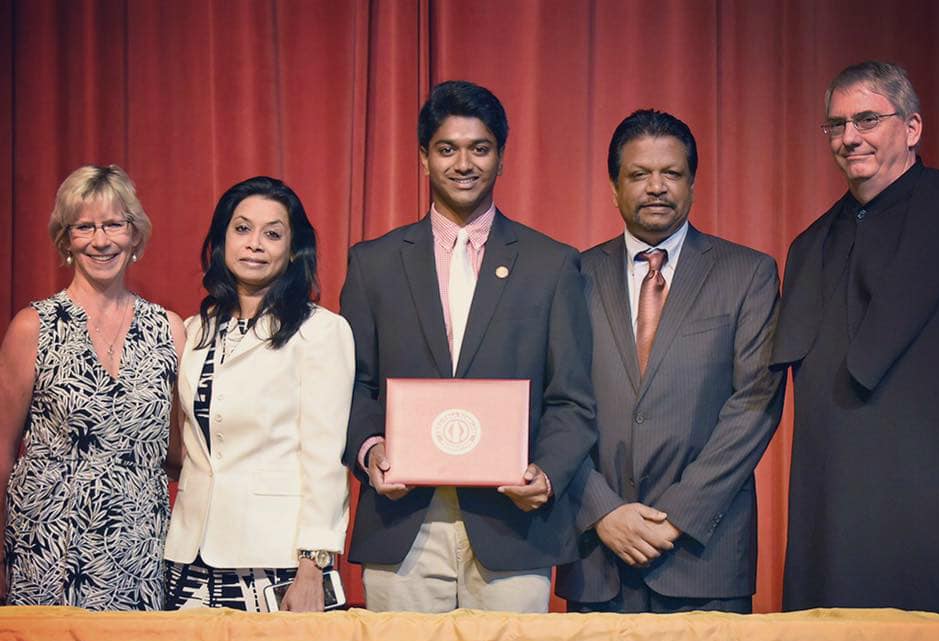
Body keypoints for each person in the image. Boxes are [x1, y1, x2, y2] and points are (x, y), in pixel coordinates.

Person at [339, 80, 596, 613]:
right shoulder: (374, 264)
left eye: (480, 148)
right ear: (423, 159)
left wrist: (545, 474)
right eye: (447, 148)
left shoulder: (552, 264)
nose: (464, 163)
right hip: (403, 524)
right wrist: (371, 452)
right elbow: (352, 386)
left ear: (501, 159)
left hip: (514, 527)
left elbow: (571, 397)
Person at [556, 110, 785, 613]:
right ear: (614, 186)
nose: (656, 187)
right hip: (598, 556)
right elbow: (552, 406)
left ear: (693, 183)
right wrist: (602, 511)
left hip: (705, 556)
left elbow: (754, 406)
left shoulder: (748, 274)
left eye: (672, 173)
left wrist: (676, 517)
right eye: (639, 174)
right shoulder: (571, 275)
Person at [773, 61, 939, 614]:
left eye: (867, 119)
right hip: (827, 519)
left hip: (932, 507)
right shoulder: (809, 247)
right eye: (836, 124)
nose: (849, 137)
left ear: (913, 127)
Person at [162, 176, 354, 612]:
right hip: (190, 554)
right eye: (242, 229)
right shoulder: (192, 332)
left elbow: (325, 459)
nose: (254, 244)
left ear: (293, 250)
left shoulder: (320, 332)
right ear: (221, 239)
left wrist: (314, 565)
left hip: (277, 562)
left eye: (272, 234)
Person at [0, 165, 185, 609]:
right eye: (85, 227)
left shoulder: (171, 330)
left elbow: (179, 453)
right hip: (46, 546)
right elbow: (2, 448)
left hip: (138, 546)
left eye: (114, 225)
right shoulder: (33, 327)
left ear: (135, 235)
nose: (101, 241)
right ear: (66, 240)